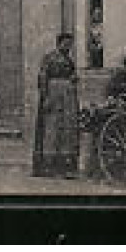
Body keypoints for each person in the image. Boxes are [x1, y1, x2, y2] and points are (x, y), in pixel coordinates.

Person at [31, 33, 80, 178]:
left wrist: (73, 79)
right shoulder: (49, 58)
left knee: (66, 130)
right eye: (65, 44)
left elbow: (72, 75)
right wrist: (45, 97)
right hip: (53, 95)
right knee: (51, 129)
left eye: (70, 44)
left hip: (68, 98)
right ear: (59, 43)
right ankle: (47, 166)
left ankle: (64, 167)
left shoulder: (70, 61)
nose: (68, 47)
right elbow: (43, 77)